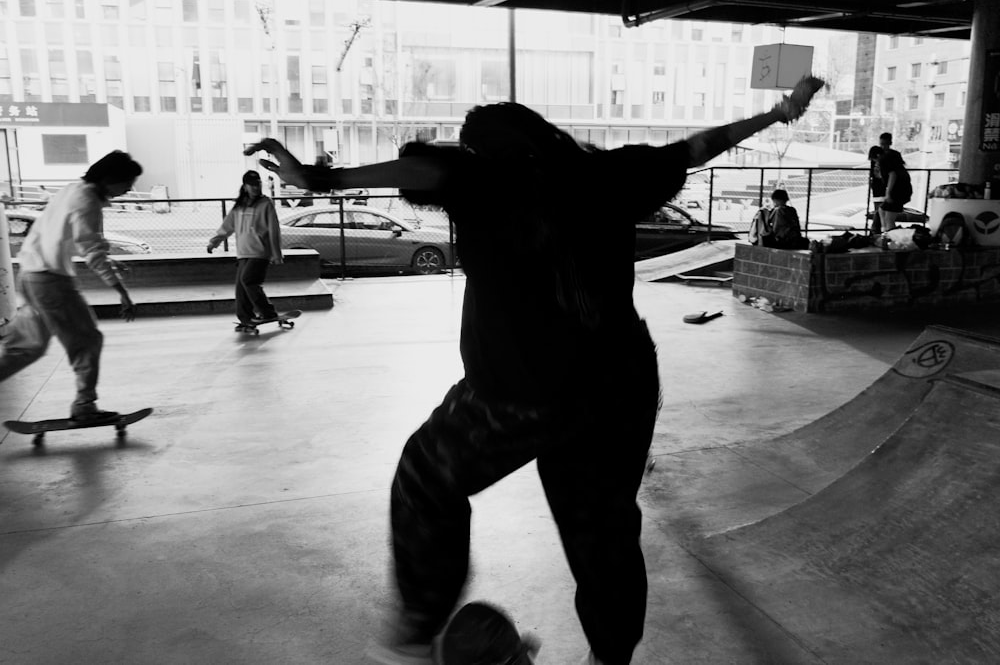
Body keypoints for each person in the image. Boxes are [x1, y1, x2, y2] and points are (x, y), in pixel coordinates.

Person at [246, 76, 824, 665]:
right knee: (603, 528)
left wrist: (319, 179)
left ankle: (420, 633)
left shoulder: (483, 179)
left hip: (524, 391)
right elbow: (701, 146)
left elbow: (420, 172)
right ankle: (611, 656)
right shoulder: (608, 173)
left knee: (426, 474)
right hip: (617, 386)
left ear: (484, 150)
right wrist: (779, 112)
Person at [0, 150, 140, 421]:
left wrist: (107, 259)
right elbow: (92, 251)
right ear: (110, 179)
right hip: (52, 282)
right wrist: (122, 293)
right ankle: (85, 406)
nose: (129, 189)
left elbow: (70, 236)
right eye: (128, 183)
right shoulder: (88, 201)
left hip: (30, 274)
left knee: (27, 347)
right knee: (87, 340)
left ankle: (85, 404)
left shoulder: (73, 190)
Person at [207, 170, 284, 330]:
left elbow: (274, 229)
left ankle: (267, 312)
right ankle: (245, 318)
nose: (256, 188)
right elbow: (227, 227)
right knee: (241, 288)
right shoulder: (239, 206)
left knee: (249, 280)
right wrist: (214, 242)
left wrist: (276, 254)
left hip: (260, 252)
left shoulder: (266, 203)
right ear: (245, 186)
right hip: (243, 253)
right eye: (252, 185)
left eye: (258, 184)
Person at [878, 149, 912, 234]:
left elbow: (892, 177)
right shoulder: (901, 169)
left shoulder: (893, 171)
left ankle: (889, 234)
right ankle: (885, 230)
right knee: (882, 209)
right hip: (902, 193)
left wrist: (888, 193)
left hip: (897, 193)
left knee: (889, 218)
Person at [867, 145, 886, 234]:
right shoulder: (878, 164)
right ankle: (875, 231)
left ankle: (875, 231)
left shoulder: (876, 164)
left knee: (878, 211)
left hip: (878, 191)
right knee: (879, 212)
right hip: (880, 190)